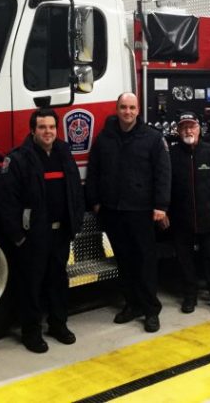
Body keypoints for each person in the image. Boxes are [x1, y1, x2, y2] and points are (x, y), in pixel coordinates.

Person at [0, 108, 85, 353]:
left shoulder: (64, 153)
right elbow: (7, 201)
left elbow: (75, 189)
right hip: (34, 235)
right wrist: (18, 236)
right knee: (31, 285)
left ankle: (58, 325)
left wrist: (75, 223)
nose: (48, 132)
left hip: (60, 233)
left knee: (58, 281)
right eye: (42, 127)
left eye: (51, 127)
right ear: (33, 130)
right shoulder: (18, 159)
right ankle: (31, 332)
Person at [85, 92, 171, 333]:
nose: (128, 112)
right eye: (123, 107)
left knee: (145, 262)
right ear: (117, 109)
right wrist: (96, 202)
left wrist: (161, 206)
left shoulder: (153, 138)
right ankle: (131, 305)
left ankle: (151, 310)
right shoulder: (105, 138)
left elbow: (163, 174)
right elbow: (94, 171)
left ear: (138, 110)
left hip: (142, 212)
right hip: (113, 211)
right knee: (124, 262)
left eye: (132, 108)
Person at [167, 111, 210, 315]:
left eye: (192, 126)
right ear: (178, 131)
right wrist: (165, 211)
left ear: (199, 129)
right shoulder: (171, 155)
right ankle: (190, 297)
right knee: (185, 262)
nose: (188, 130)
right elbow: (164, 185)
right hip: (181, 221)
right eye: (184, 127)